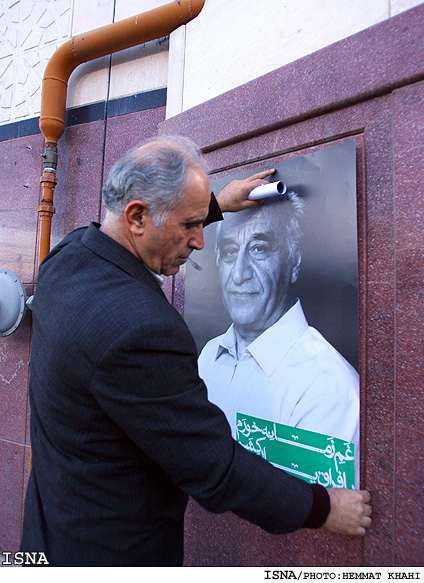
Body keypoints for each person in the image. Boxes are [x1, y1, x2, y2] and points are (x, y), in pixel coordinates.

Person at [20, 136, 371, 567]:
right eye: (190, 224)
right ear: (137, 217)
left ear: (293, 261)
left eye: (260, 248)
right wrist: (324, 508)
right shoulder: (142, 330)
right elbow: (215, 470)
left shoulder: (66, 258)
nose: (200, 242)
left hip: (47, 535)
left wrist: (213, 206)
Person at [198, 192, 360, 480]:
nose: (239, 275)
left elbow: (313, 506)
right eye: (230, 251)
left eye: (259, 248)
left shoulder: (327, 389)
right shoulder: (208, 356)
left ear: (293, 263)